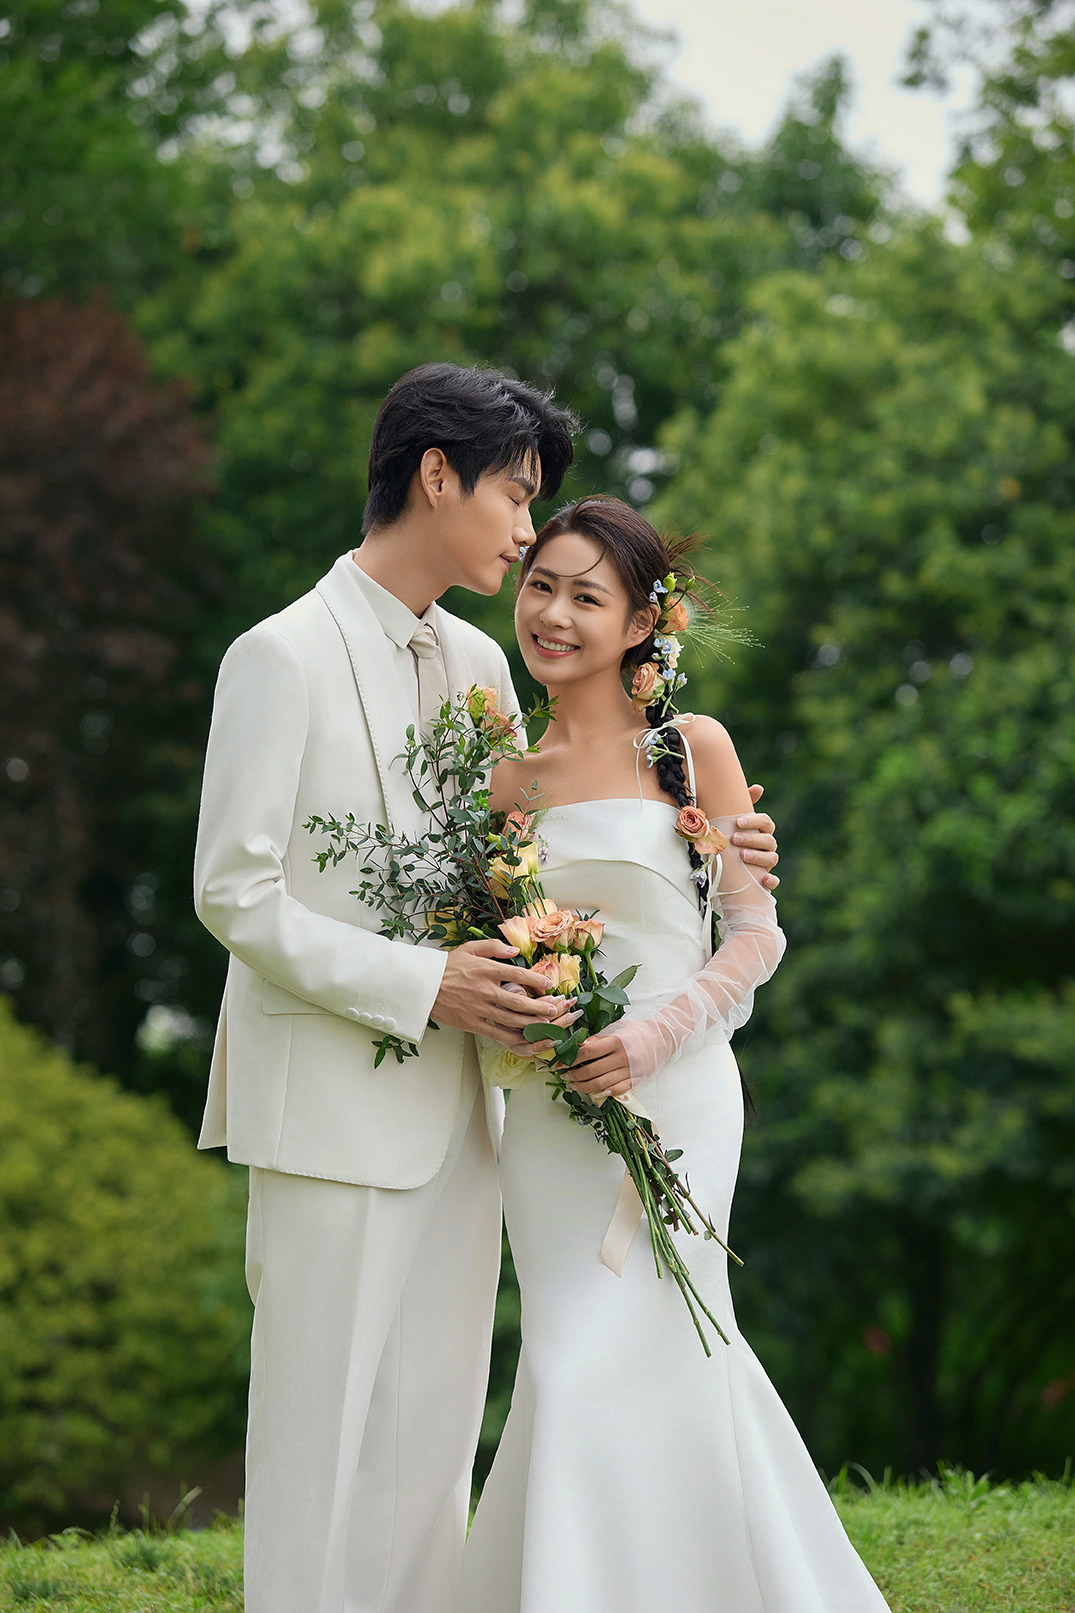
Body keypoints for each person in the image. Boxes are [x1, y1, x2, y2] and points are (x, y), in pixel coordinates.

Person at [193, 362, 784, 1613]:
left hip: (477, 1117)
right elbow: (234, 893)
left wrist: (717, 852)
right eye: (517, 497)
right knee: (317, 1446)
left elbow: (527, 859)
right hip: (329, 1112)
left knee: (430, 1450)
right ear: (436, 473)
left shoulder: (476, 662)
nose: (525, 533)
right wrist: (430, 984)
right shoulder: (278, 654)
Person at [465, 496, 890, 1613]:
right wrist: (526, 1011)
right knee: (568, 1358)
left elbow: (755, 932)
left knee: (654, 1347)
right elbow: (482, 946)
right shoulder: (502, 781)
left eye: (585, 595)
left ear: (642, 621)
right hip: (549, 1118)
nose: (553, 614)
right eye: (540, 585)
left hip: (684, 1097)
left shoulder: (689, 750)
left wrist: (653, 1031)